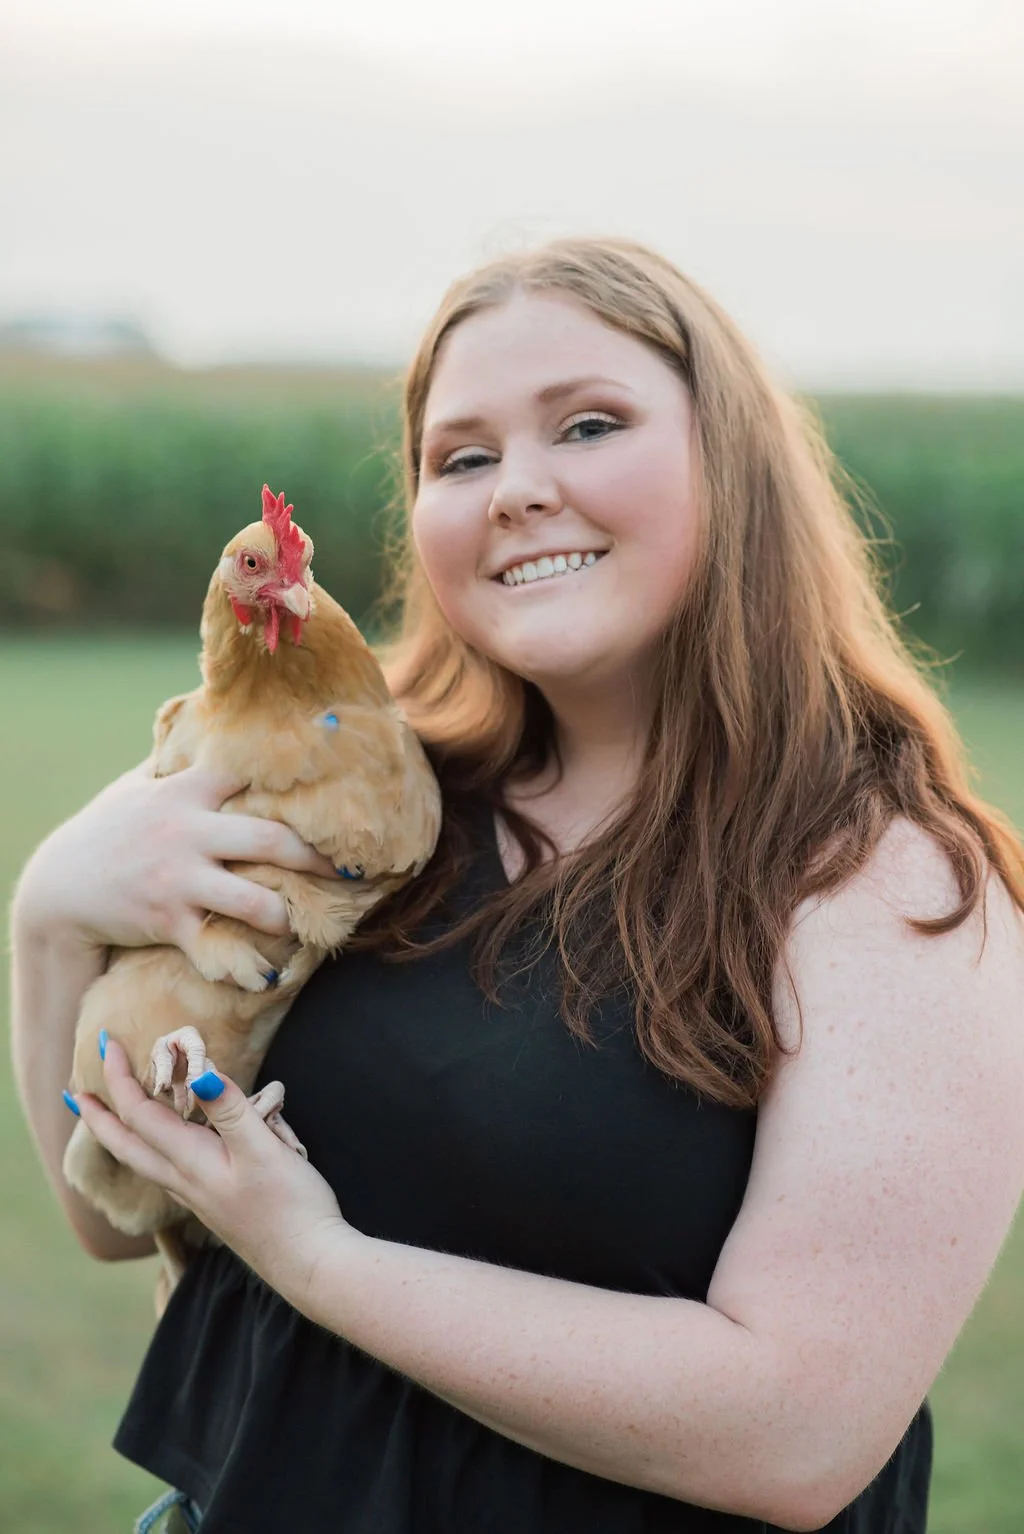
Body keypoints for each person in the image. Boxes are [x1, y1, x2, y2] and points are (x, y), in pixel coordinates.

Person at [11, 237, 1024, 1534]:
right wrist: (48, 915)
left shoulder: (886, 877)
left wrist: (316, 1257)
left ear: (732, 456)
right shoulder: (369, 802)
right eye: (463, 456)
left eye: (589, 424)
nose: (517, 490)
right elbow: (117, 1210)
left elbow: (798, 1431)